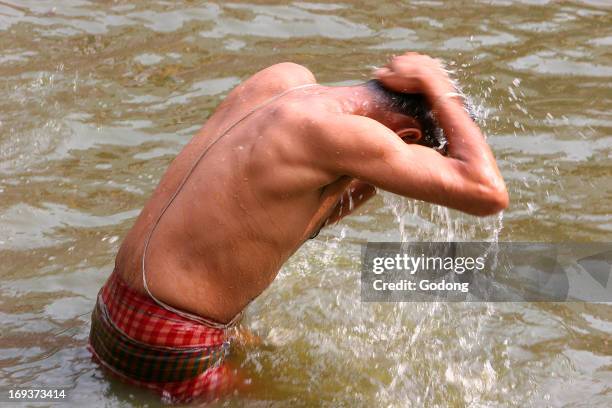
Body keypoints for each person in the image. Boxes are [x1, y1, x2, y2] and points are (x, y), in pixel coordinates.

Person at [88, 52, 508, 402]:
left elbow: (269, 224)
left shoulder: (282, 80)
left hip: (116, 311)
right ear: (407, 135)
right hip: (168, 344)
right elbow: (487, 192)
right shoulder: (339, 136)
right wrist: (439, 86)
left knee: (279, 357)